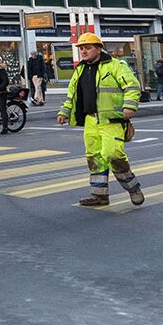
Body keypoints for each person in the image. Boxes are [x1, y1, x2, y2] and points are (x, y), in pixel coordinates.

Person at [58, 32, 144, 208]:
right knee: (95, 158)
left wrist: (129, 106)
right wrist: (64, 112)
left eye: (88, 47)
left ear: (98, 48)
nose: (84, 51)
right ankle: (99, 195)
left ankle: (133, 188)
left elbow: (132, 85)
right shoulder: (80, 70)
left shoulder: (115, 66)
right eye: (81, 48)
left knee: (113, 155)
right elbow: (71, 96)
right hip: (90, 121)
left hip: (111, 120)